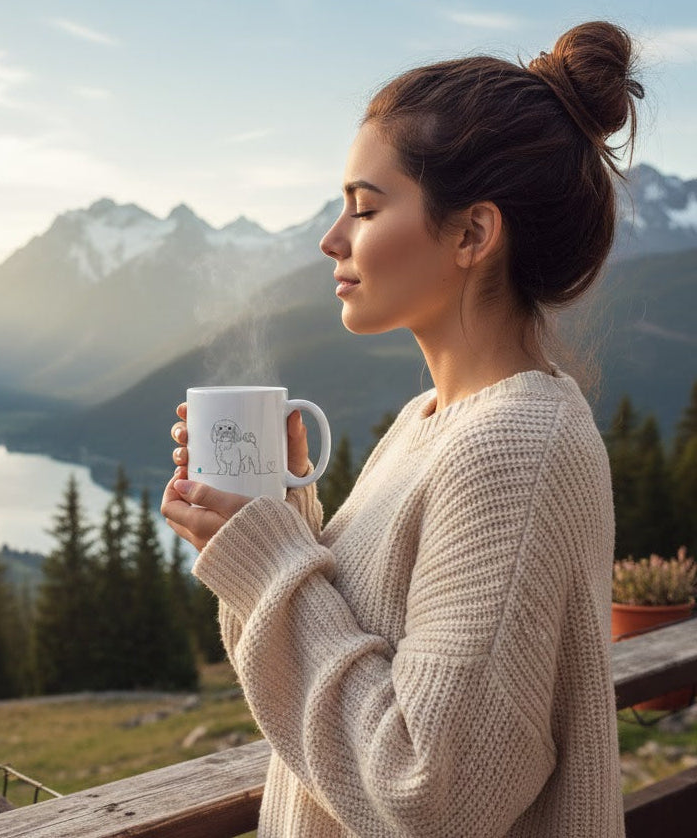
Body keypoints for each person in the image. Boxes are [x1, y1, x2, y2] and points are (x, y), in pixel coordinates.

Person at [162, 20, 642, 837]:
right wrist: (275, 525)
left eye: (365, 207)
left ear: (472, 234)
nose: (332, 239)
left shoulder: (516, 446)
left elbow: (434, 793)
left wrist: (270, 564)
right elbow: (381, 649)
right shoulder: (434, 421)